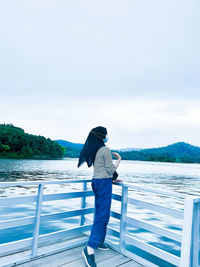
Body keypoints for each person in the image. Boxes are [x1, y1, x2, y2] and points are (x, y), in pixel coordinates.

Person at [78, 126, 122, 267]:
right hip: (103, 183)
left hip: (97, 182)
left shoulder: (95, 149)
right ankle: (89, 249)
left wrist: (113, 178)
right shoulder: (105, 149)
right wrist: (119, 160)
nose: (107, 136)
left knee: (102, 213)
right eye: (106, 134)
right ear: (102, 136)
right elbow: (110, 170)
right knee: (102, 214)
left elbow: (103, 169)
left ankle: (99, 241)